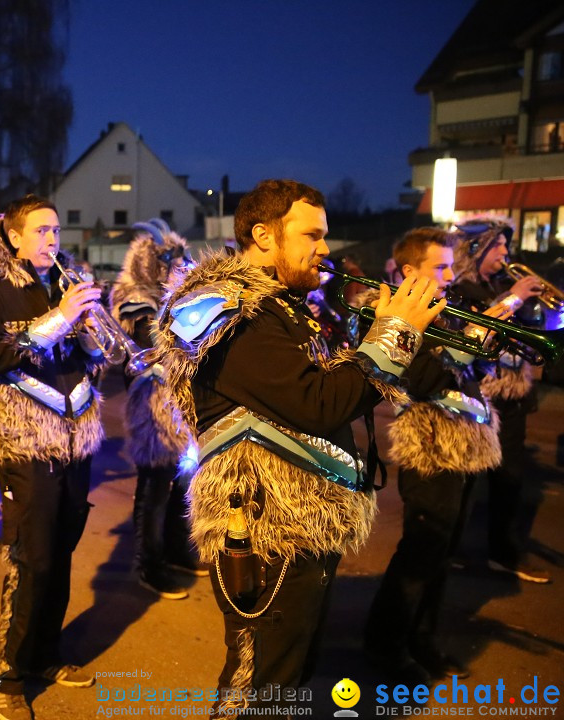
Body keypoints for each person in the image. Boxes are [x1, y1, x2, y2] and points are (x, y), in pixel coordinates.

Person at [151, 179, 444, 713]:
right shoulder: (230, 310)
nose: (326, 249)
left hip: (305, 523)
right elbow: (320, 403)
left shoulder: (287, 307)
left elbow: (342, 390)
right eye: (312, 235)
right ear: (263, 236)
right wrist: (395, 335)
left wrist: (384, 329)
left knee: (290, 677)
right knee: (258, 687)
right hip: (264, 528)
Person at [0, 195, 106, 720]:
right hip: (24, 438)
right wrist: (60, 318)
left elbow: (92, 357)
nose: (52, 241)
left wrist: (93, 330)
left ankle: (44, 653)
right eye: (40, 231)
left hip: (75, 436)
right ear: (13, 237)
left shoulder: (63, 280)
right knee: (30, 556)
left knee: (60, 551)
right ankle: (6, 670)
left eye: (56, 230)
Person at [362, 228, 501, 685]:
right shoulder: (391, 316)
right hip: (429, 446)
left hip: (466, 441)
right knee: (419, 554)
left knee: (442, 553)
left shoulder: (443, 312)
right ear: (408, 272)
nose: (449, 275)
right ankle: (386, 646)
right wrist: (469, 341)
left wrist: (481, 343)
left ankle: (421, 639)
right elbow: (426, 379)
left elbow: (471, 371)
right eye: (439, 267)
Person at [450, 219, 550, 583]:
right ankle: (452, 551)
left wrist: (531, 306)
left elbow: (533, 328)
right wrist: (515, 297)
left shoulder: (500, 284)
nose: (507, 254)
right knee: (468, 481)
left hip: (514, 392)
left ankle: (502, 552)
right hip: (483, 393)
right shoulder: (463, 288)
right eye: (499, 247)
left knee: (511, 478)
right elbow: (480, 328)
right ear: (476, 250)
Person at [109, 219, 200, 600]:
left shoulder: (171, 295)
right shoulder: (136, 298)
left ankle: (177, 551)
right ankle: (149, 563)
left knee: (182, 484)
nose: (180, 268)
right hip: (153, 408)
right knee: (154, 489)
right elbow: (157, 344)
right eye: (172, 263)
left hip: (180, 405)